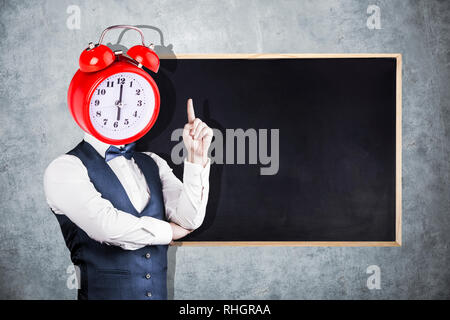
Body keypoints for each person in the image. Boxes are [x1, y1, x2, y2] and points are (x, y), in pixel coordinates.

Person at [44, 99, 213, 300]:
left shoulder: (153, 162)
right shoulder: (65, 167)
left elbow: (190, 220)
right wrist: (170, 231)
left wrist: (196, 157)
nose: (121, 106)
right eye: (112, 99)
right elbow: (106, 227)